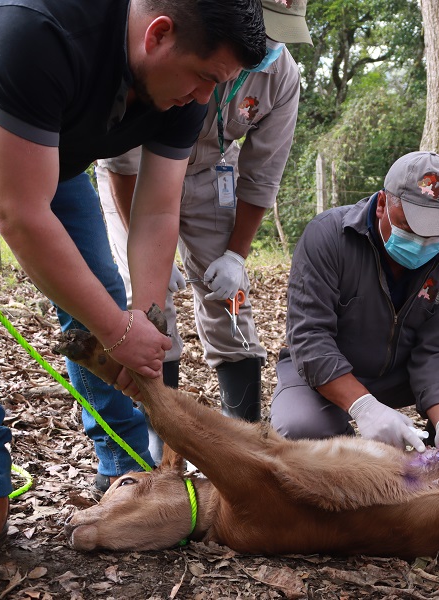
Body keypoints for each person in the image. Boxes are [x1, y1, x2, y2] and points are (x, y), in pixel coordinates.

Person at [0, 0, 265, 581]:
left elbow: (159, 211)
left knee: (101, 293)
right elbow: (19, 213)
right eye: (205, 80)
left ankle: (127, 471)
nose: (204, 97)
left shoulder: (186, 80)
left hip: (45, 146)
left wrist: (142, 321)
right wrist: (114, 331)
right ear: (158, 35)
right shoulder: (35, 27)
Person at [96, 0, 310, 465]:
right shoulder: (188, 43)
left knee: (230, 300)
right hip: (138, 174)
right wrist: (151, 251)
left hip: (211, 174)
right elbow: (122, 162)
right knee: (150, 303)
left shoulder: (281, 75)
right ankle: (160, 434)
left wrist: (236, 255)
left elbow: (262, 173)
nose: (269, 45)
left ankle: (242, 433)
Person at [270, 151, 439, 468]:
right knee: (302, 428)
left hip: (399, 372)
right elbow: (309, 338)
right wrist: (364, 406)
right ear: (382, 205)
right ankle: (353, 465)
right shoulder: (327, 237)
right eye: (410, 225)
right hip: (323, 377)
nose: (422, 241)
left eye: (433, 231)